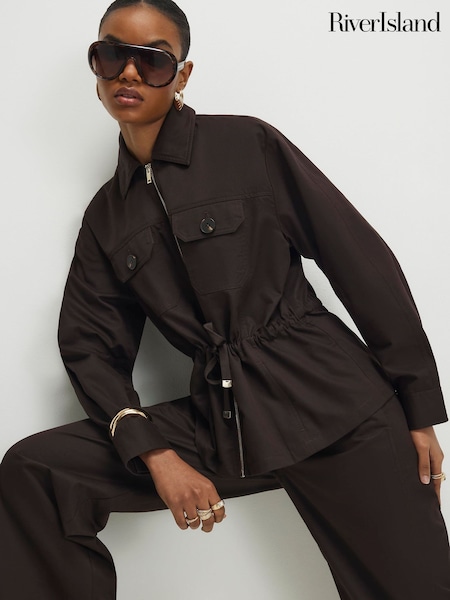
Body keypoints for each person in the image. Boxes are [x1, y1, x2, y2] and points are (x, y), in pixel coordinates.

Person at [1, 0, 449, 598]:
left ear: (182, 75)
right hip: (225, 424)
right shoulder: (106, 218)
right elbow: (89, 348)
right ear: (97, 65)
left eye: (152, 60)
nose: (128, 73)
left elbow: (359, 262)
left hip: (337, 409)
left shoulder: (247, 144)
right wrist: (155, 453)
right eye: (111, 55)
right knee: (37, 469)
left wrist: (418, 406)